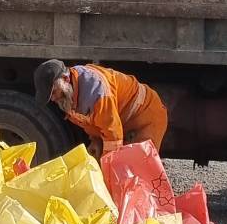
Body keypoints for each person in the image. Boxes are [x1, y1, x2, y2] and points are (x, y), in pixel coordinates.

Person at [34, 58, 168, 158]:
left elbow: (113, 137)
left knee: (139, 169)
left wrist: (107, 165)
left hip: (146, 116)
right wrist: (96, 141)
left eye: (54, 92)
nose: (53, 98)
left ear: (65, 79)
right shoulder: (68, 94)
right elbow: (97, 122)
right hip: (121, 122)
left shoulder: (96, 91)